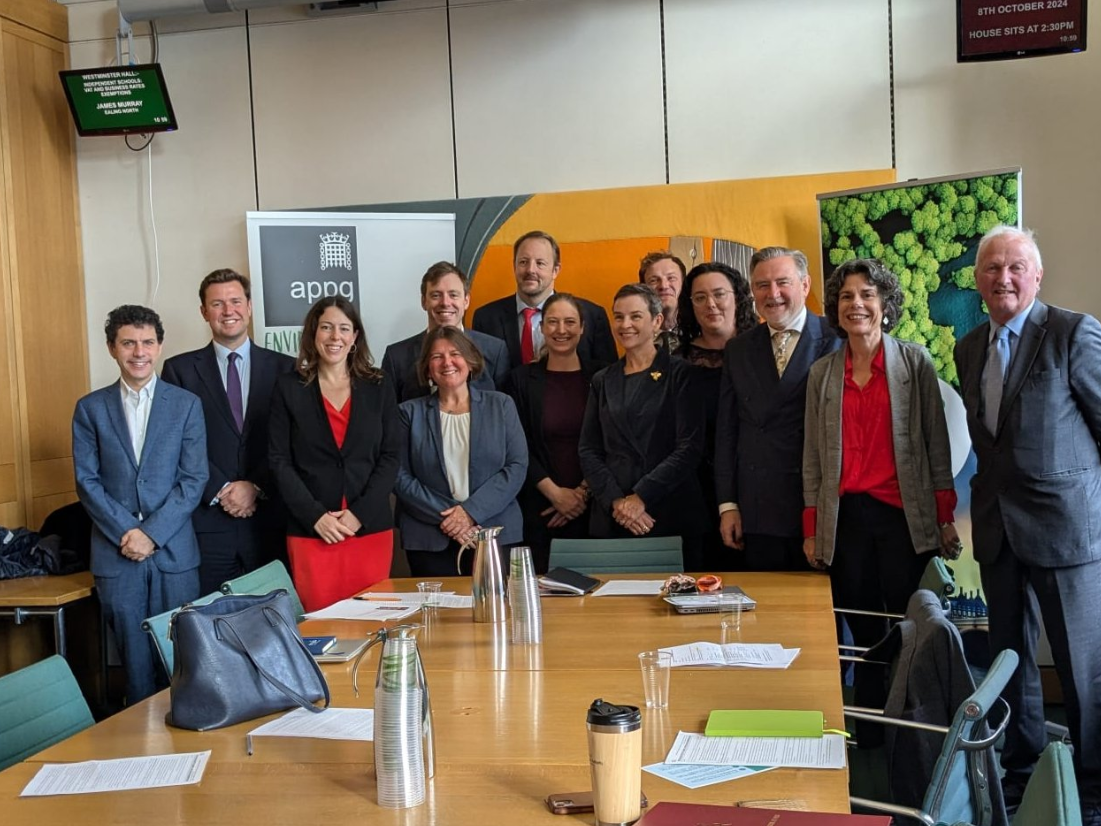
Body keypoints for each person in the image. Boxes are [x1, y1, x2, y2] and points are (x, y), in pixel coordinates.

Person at [955, 225, 1101, 824]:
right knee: (1010, 663)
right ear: (978, 280)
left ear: (1036, 275)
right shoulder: (968, 348)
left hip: (1067, 533)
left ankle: (1092, 790)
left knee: (1082, 672)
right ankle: (1022, 770)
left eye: (1016, 267)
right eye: (992, 268)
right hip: (997, 532)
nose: (1004, 278)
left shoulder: (1072, 333)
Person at [803, 258, 959, 707]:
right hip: (847, 520)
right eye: (847, 296)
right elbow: (812, 458)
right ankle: (871, 725)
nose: (857, 304)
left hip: (904, 518)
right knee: (864, 626)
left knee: (908, 623)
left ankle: (915, 719)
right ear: (836, 308)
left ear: (885, 304)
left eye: (868, 294)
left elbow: (936, 445)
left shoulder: (915, 361)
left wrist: (945, 517)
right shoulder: (822, 374)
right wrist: (812, 528)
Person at [72, 305, 207, 704]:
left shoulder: (185, 405)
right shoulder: (90, 409)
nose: (139, 352)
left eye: (147, 342)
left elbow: (194, 479)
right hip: (117, 554)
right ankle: (141, 760)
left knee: (182, 661)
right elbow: (87, 481)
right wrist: (128, 533)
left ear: (160, 346)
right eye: (128, 343)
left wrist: (151, 534)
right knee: (132, 666)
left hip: (174, 554)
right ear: (112, 348)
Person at [161, 269, 295, 594]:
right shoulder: (179, 371)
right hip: (208, 525)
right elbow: (174, 443)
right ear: (204, 312)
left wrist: (256, 485)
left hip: (270, 520)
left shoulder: (286, 368)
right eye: (217, 304)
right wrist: (221, 488)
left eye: (235, 301)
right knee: (210, 627)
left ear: (249, 307)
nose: (228, 311)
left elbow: (293, 441)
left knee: (275, 626)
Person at [268, 297, 400, 612]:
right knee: (320, 631)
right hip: (312, 533)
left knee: (374, 625)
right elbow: (278, 460)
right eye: (326, 327)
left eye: (343, 328)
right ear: (314, 334)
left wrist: (358, 515)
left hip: (368, 531)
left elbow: (391, 456)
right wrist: (315, 517)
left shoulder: (379, 385)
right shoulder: (289, 387)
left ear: (355, 336)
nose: (334, 337)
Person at [714, 246, 841, 571]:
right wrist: (728, 505)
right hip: (759, 508)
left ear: (805, 285)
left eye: (782, 282)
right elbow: (727, 432)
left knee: (821, 616)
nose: (773, 294)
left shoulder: (836, 339)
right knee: (769, 614)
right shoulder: (739, 349)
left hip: (822, 508)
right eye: (762, 285)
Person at [578, 283, 706, 569]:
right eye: (619, 317)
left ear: (657, 321)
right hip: (615, 517)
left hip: (668, 510)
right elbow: (588, 449)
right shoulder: (602, 379)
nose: (625, 325)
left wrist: (641, 497)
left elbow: (689, 448)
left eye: (635, 316)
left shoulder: (681, 374)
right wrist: (617, 502)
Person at [394, 327, 528, 577]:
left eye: (455, 353)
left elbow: (516, 466)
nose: (447, 362)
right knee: (437, 615)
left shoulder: (501, 405)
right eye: (437, 356)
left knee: (496, 612)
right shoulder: (408, 413)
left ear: (470, 360)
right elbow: (398, 475)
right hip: (429, 537)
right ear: (427, 367)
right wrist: (452, 519)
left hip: (495, 532)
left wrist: (469, 513)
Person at [504, 293, 608, 572]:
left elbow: (611, 441)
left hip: (594, 507)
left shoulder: (603, 377)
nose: (561, 330)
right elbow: (516, 444)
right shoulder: (520, 380)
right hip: (540, 509)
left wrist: (580, 495)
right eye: (552, 322)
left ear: (583, 328)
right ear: (541, 327)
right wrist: (554, 494)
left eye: (570, 322)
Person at [673, 262, 757, 568]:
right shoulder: (678, 361)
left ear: (737, 297)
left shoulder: (762, 350)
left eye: (719, 294)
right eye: (700, 297)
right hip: (696, 491)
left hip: (755, 481)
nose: (711, 304)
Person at [472, 230, 617, 368]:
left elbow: (607, 379)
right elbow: (482, 378)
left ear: (555, 270)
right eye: (523, 262)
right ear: (514, 266)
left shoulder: (591, 316)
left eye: (540, 263)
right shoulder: (486, 319)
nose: (530, 270)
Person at [381, 261, 510, 402]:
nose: (445, 303)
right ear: (424, 301)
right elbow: (388, 417)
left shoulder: (495, 351)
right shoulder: (396, 358)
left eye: (453, 295)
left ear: (466, 301)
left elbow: (502, 412)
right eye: (436, 295)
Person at [639, 250, 686, 351]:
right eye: (654, 280)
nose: (664, 286)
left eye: (671, 278)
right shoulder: (636, 334)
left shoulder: (701, 330)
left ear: (684, 284)